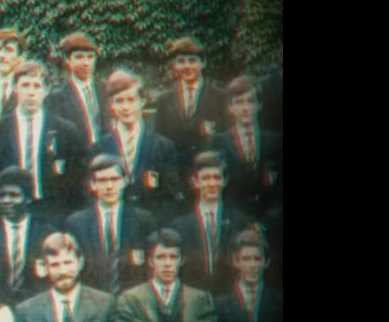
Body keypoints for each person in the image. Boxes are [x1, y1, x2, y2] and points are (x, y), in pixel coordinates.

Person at [0, 60, 87, 222]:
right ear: (15, 88)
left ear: (46, 90)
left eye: (37, 86)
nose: (31, 93)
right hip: (10, 213)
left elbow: (76, 182)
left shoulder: (65, 130)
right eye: (25, 85)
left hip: (51, 212)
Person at [88, 69, 183, 222]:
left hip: (152, 225)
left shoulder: (163, 147)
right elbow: (92, 196)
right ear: (111, 105)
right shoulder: (99, 148)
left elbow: (170, 198)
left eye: (131, 100)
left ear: (142, 101)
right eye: (119, 101)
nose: (126, 107)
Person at [64, 155, 158, 295]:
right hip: (93, 299)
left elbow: (152, 267)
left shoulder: (143, 220)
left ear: (125, 181)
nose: (109, 186)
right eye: (102, 180)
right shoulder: (77, 223)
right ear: (92, 184)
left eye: (114, 179)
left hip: (133, 299)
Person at [168, 152, 252, 295]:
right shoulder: (179, 225)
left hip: (229, 296)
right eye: (206, 178)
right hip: (192, 296)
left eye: (217, 177)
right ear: (195, 182)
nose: (212, 183)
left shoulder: (240, 222)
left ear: (224, 181)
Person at [0, 167, 53, 308]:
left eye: (14, 195)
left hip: (35, 307)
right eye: (2, 196)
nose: (6, 200)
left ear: (28, 199)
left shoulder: (46, 234)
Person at [209, 76, 283, 217]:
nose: (245, 108)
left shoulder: (276, 142)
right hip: (234, 218)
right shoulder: (218, 142)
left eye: (250, 101)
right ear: (230, 107)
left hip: (269, 217)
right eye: (239, 102)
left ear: (259, 105)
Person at [154, 37, 231, 172]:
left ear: (203, 63)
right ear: (174, 65)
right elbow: (160, 143)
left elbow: (228, 139)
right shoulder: (163, 100)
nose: (187, 66)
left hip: (209, 173)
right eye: (181, 61)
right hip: (176, 172)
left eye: (192, 61)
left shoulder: (221, 97)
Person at [214, 229, 282, 322]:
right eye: (246, 259)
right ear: (236, 261)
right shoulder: (221, 305)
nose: (252, 265)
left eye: (257, 259)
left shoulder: (279, 301)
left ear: (266, 262)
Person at [46, 32, 110, 149]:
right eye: (79, 57)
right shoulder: (57, 98)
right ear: (68, 60)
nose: (86, 63)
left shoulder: (106, 90)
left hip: (107, 155)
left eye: (90, 57)